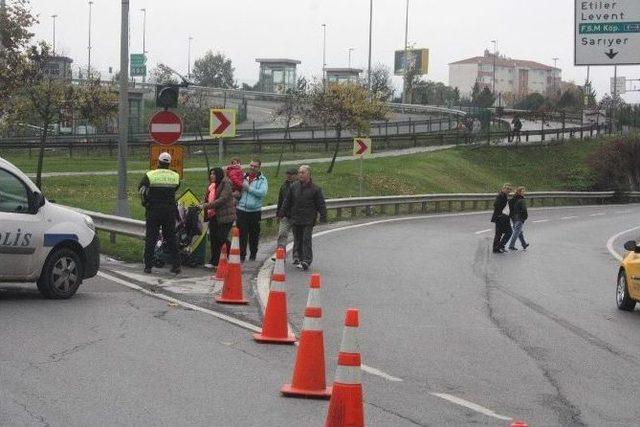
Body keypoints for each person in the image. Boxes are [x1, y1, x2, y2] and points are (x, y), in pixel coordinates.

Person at [138, 152, 181, 274]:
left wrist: (145, 203)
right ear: (169, 163)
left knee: (151, 238)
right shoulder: (175, 176)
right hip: (169, 211)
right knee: (171, 238)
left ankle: (148, 266)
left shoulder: (150, 175)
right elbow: (176, 187)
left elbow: (141, 190)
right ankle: (176, 265)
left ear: (159, 161)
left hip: (153, 210)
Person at [281, 165, 327, 271]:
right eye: (299, 172)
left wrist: (323, 216)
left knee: (306, 239)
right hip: (296, 218)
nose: (300, 175)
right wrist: (282, 212)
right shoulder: (294, 187)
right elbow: (287, 201)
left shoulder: (315, 189)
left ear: (308, 174)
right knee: (298, 240)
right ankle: (300, 258)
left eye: (303, 172)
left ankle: (306, 260)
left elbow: (320, 204)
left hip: (308, 219)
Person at [200, 167, 236, 269]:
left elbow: (222, 199)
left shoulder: (226, 183)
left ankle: (232, 253)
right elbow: (207, 198)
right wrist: (203, 204)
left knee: (221, 237)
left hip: (226, 215)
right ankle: (214, 261)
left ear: (219, 175)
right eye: (211, 174)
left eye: (214, 174)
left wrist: (206, 206)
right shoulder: (212, 186)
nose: (211, 176)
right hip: (213, 215)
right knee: (213, 238)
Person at [236, 158, 268, 262]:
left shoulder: (262, 179)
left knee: (254, 235)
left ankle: (253, 255)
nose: (252, 168)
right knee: (242, 234)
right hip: (241, 210)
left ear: (259, 168)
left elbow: (262, 193)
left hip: (254, 211)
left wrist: (248, 189)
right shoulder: (243, 176)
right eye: (251, 166)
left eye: (255, 166)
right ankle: (241, 255)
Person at [273, 168, 298, 261]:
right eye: (287, 174)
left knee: (297, 237)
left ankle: (297, 257)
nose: (289, 176)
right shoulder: (284, 186)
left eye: (291, 175)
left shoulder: (300, 186)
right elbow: (280, 201)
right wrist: (279, 214)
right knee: (282, 234)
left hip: (297, 216)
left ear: (296, 175)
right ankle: (280, 254)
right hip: (285, 215)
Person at [490, 183, 512, 254]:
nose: (508, 190)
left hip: (504, 217)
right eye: (507, 189)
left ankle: (498, 247)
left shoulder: (504, 196)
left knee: (500, 233)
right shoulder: (501, 195)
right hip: (501, 217)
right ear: (503, 189)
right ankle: (498, 247)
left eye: (509, 189)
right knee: (506, 232)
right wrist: (501, 214)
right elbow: (496, 204)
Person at [507, 186, 529, 251]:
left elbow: (509, 207)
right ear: (519, 192)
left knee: (519, 231)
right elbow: (524, 210)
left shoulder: (513, 198)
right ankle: (511, 245)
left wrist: (511, 215)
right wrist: (525, 217)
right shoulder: (522, 200)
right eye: (523, 191)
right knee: (516, 232)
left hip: (513, 217)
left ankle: (524, 244)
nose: (524, 192)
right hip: (519, 217)